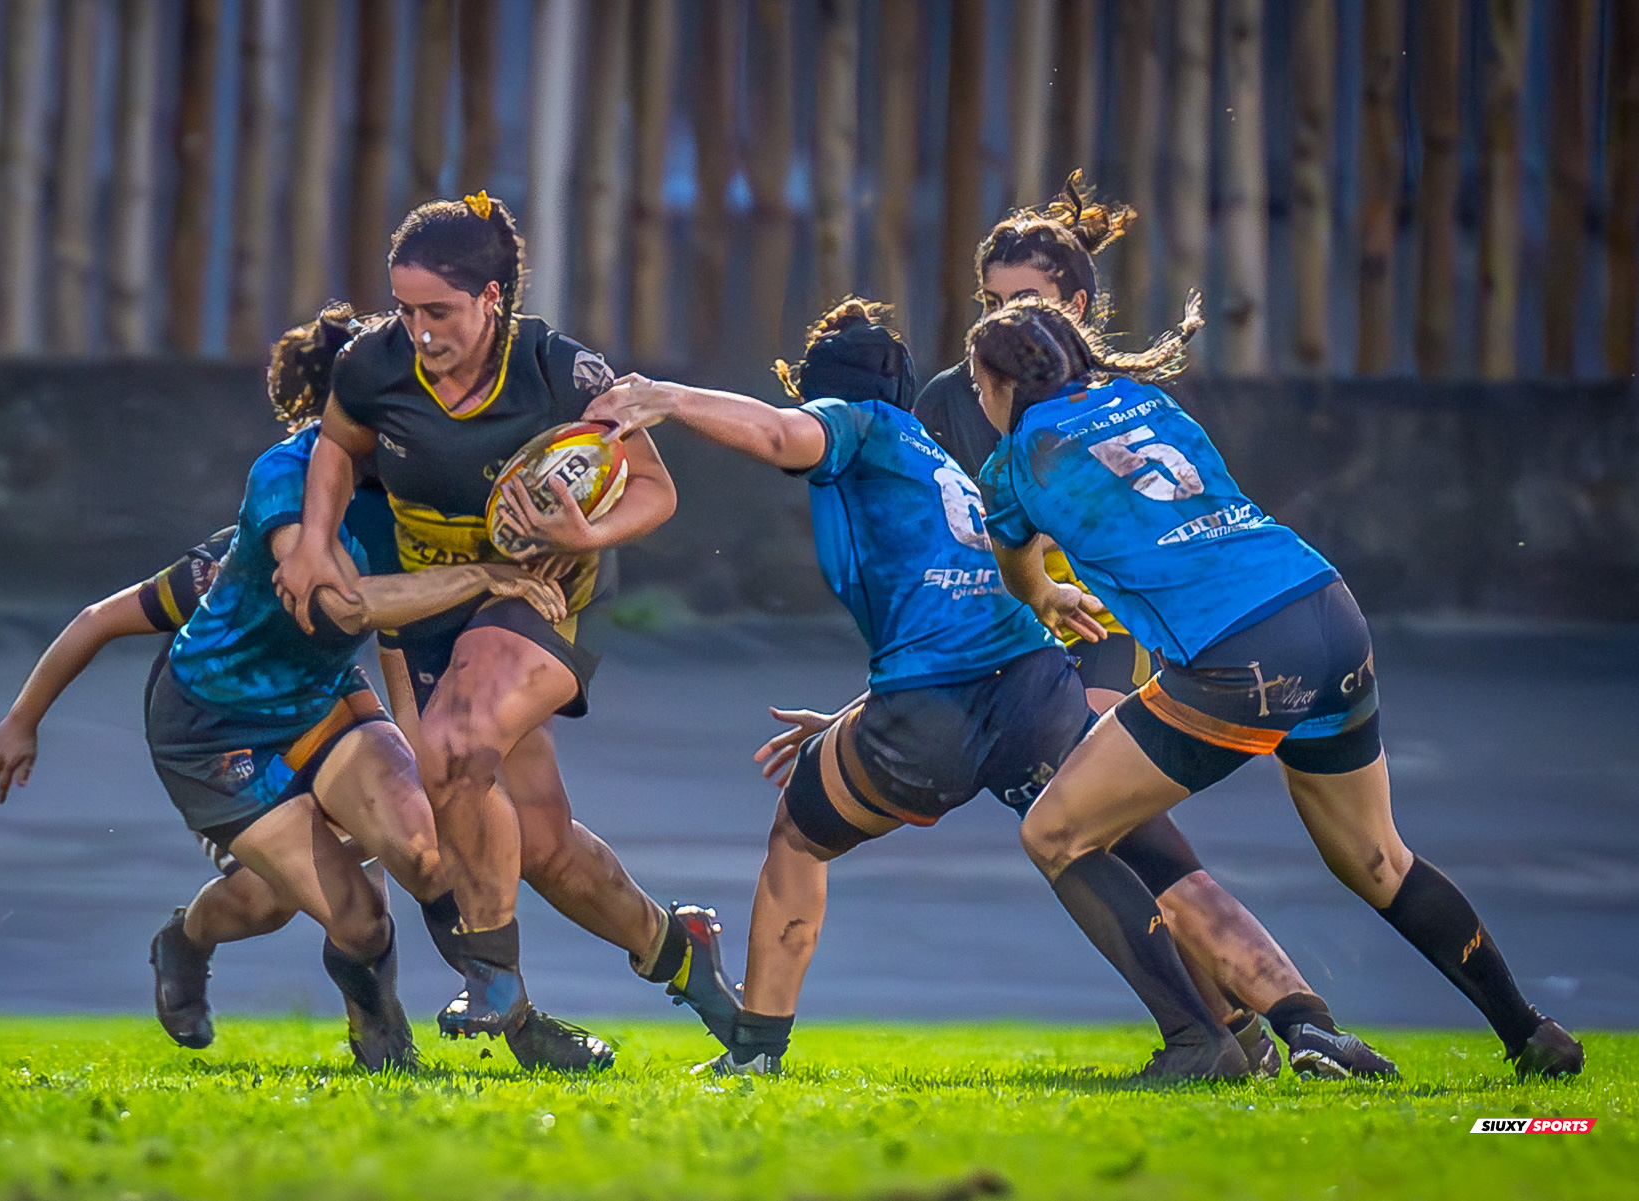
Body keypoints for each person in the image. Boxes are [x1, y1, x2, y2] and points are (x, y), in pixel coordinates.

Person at [587, 300, 1390, 1080]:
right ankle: (1256, 1027)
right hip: (1036, 685)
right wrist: (856, 714)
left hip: (936, 708)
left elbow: (775, 433)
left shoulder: (854, 428)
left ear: (822, 392)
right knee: (1143, 854)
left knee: (800, 830)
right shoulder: (939, 457)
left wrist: (668, 397)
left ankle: (755, 1046)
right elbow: (968, 607)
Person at [969, 294, 1585, 1080]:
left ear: (998, 383)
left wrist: (1045, 594)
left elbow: (1018, 566)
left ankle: (1201, 1045)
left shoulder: (1016, 458)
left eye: (981, 384)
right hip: (1325, 607)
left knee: (1056, 831)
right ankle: (1530, 1032)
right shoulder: (1147, 401)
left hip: (1241, 653)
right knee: (1378, 858)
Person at [270, 195, 740, 1050]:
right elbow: (336, 447)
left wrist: (587, 533)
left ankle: (490, 974)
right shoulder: (373, 365)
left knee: (450, 745)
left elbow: (655, 490)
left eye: (439, 312)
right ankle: (680, 950)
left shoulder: (561, 371)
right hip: (430, 612)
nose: (419, 330)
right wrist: (312, 539)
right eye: (406, 309)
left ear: (493, 297)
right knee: (543, 846)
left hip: (535, 595)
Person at [915, 172, 1148, 711]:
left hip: (1096, 624)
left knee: (1095, 770)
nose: (1003, 319)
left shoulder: (1118, 402)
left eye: (1024, 300)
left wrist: (1015, 539)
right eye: (991, 301)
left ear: (1076, 307)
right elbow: (919, 528)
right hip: (983, 631)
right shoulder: (947, 399)